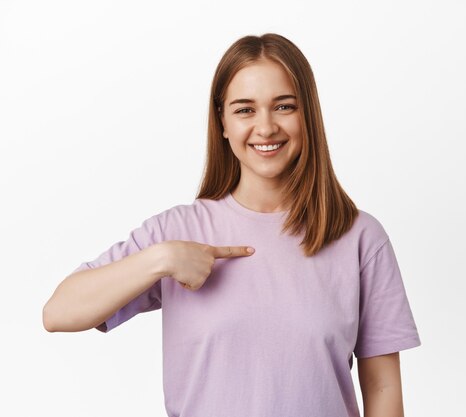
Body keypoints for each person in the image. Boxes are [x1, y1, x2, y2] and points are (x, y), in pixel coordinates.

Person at [43, 32, 421, 417]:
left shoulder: (359, 238)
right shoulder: (178, 231)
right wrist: (161, 259)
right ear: (222, 122)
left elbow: (382, 385)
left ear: (309, 113)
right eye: (245, 110)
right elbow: (58, 313)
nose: (266, 127)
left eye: (284, 106)